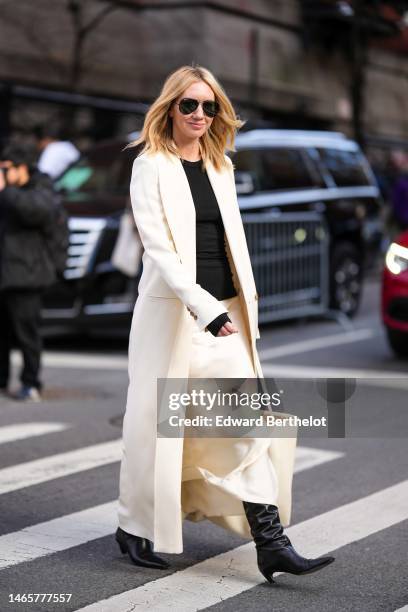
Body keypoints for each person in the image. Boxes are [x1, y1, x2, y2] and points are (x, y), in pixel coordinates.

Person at [115, 65, 335, 584]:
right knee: (155, 426)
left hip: (227, 316)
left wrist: (235, 308)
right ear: (169, 108)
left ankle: (271, 541)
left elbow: (230, 243)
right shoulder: (151, 165)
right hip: (177, 316)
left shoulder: (221, 166)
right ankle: (134, 526)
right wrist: (204, 308)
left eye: (208, 106)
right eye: (188, 105)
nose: (199, 114)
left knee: (251, 420)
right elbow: (161, 251)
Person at [0, 142, 58, 401]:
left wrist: (5, 192)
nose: (3, 174)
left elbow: (36, 212)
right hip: (5, 272)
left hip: (28, 274)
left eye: (6, 169)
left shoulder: (41, 188)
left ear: (21, 168)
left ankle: (31, 382)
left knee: (27, 334)